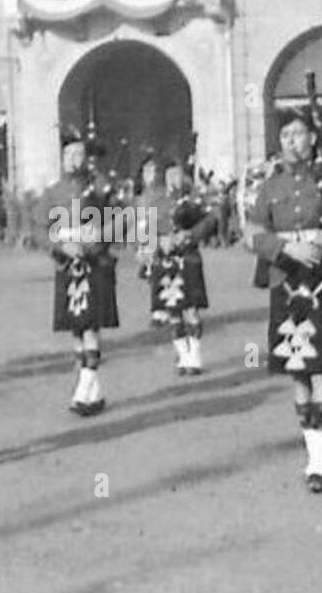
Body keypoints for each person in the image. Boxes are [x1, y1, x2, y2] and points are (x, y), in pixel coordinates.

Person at [245, 109, 322, 493]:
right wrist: (284, 247)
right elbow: (251, 232)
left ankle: (319, 462)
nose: (290, 141)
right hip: (286, 279)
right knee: (298, 371)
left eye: (298, 133)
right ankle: (310, 449)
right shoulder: (269, 185)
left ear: (312, 138)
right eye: (285, 134)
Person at [37, 129, 119, 415]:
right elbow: (38, 229)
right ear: (62, 158)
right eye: (69, 154)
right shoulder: (53, 193)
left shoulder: (99, 188)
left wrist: (94, 240)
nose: (74, 159)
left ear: (87, 157)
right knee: (76, 328)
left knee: (91, 325)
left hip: (94, 262)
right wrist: (59, 245)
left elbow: (121, 220)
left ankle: (85, 386)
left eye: (79, 153)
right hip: (67, 265)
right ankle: (92, 391)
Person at [136, 154, 218, 376]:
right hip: (163, 260)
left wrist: (190, 235)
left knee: (191, 308)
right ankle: (182, 353)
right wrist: (156, 243)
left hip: (189, 257)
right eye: (171, 175)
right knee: (173, 311)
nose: (176, 179)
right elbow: (142, 230)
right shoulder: (153, 200)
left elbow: (210, 220)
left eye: (179, 174)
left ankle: (196, 354)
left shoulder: (194, 198)